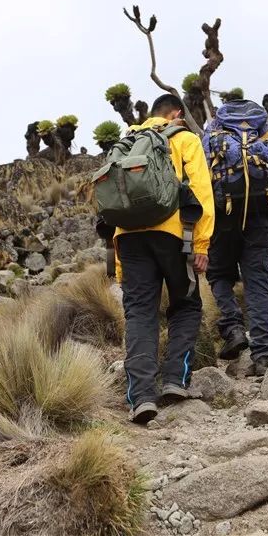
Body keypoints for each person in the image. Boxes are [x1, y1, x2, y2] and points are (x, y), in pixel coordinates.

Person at [114, 94, 214, 424]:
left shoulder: (127, 142)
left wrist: (119, 265)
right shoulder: (184, 138)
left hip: (128, 238)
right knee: (186, 305)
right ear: (175, 114)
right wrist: (202, 243)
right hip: (175, 234)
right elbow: (201, 190)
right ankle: (175, 380)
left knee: (140, 313)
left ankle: (141, 397)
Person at [205, 105, 268, 376]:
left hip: (222, 219)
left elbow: (202, 182)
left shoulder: (211, 138)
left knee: (219, 274)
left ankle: (233, 329)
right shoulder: (264, 138)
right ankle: (264, 354)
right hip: (260, 220)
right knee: (258, 283)